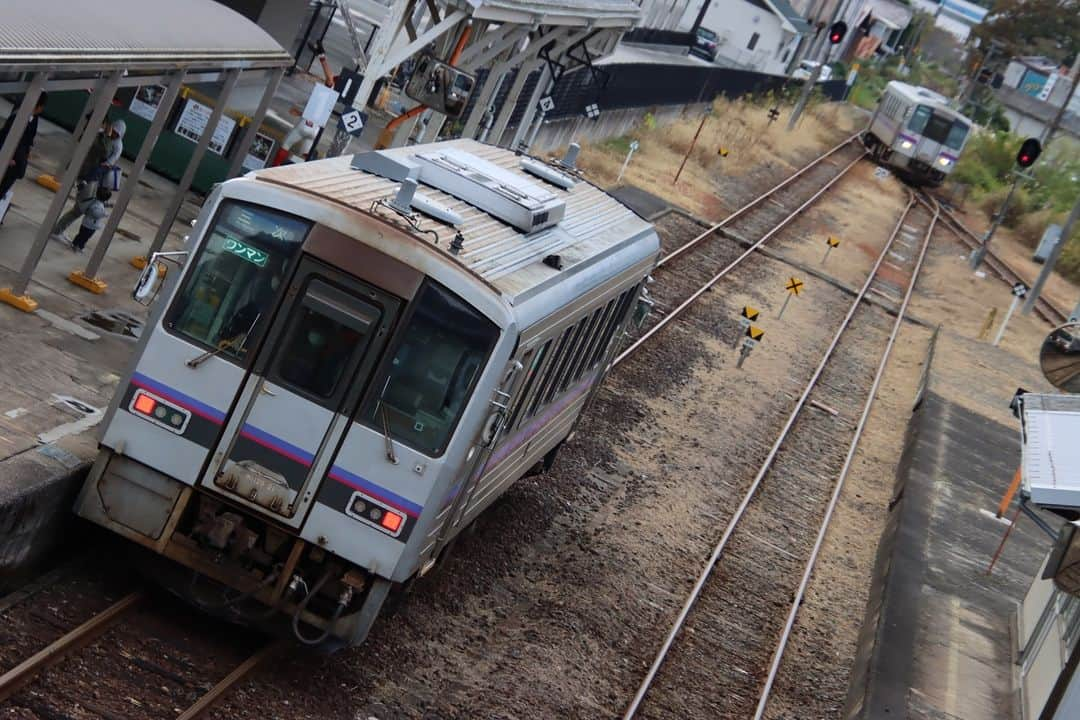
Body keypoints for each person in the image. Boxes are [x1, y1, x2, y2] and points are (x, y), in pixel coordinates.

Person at [51, 117, 125, 241]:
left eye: (117, 133)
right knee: (79, 209)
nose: (114, 134)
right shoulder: (102, 138)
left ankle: (58, 230)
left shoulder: (115, 144)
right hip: (88, 177)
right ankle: (57, 230)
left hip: (94, 177)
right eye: (114, 131)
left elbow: (111, 159)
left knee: (79, 209)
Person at [0, 92, 49, 201]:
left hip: (16, 162)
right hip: (10, 159)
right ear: (39, 106)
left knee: (5, 186)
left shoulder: (33, 118)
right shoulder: (17, 117)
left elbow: (29, 138)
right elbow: (5, 135)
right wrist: (8, 156)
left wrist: (28, 151)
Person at [70, 184, 111, 253]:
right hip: (91, 225)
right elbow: (96, 214)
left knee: (81, 235)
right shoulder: (98, 205)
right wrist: (105, 214)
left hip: (86, 223)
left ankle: (76, 244)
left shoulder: (94, 201)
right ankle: (78, 246)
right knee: (85, 237)